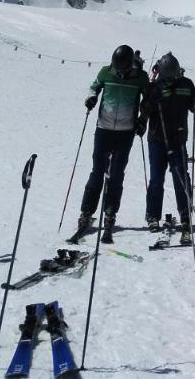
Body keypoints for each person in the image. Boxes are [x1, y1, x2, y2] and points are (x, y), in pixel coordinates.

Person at [74, 45, 148, 242]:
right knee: (97, 172)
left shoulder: (140, 77)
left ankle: (110, 212)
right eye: (116, 67)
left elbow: (148, 100)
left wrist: (143, 119)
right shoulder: (105, 72)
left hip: (126, 132)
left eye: (122, 68)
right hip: (103, 129)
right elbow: (94, 86)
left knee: (116, 175)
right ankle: (86, 212)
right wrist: (91, 98)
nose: (119, 71)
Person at [139, 52, 195, 240]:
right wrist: (151, 101)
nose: (171, 79)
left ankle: (185, 213)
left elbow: (194, 108)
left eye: (174, 75)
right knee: (157, 179)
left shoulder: (186, 84)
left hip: (178, 138)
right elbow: (144, 110)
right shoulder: (153, 87)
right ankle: (153, 215)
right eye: (168, 76)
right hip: (157, 139)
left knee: (181, 177)